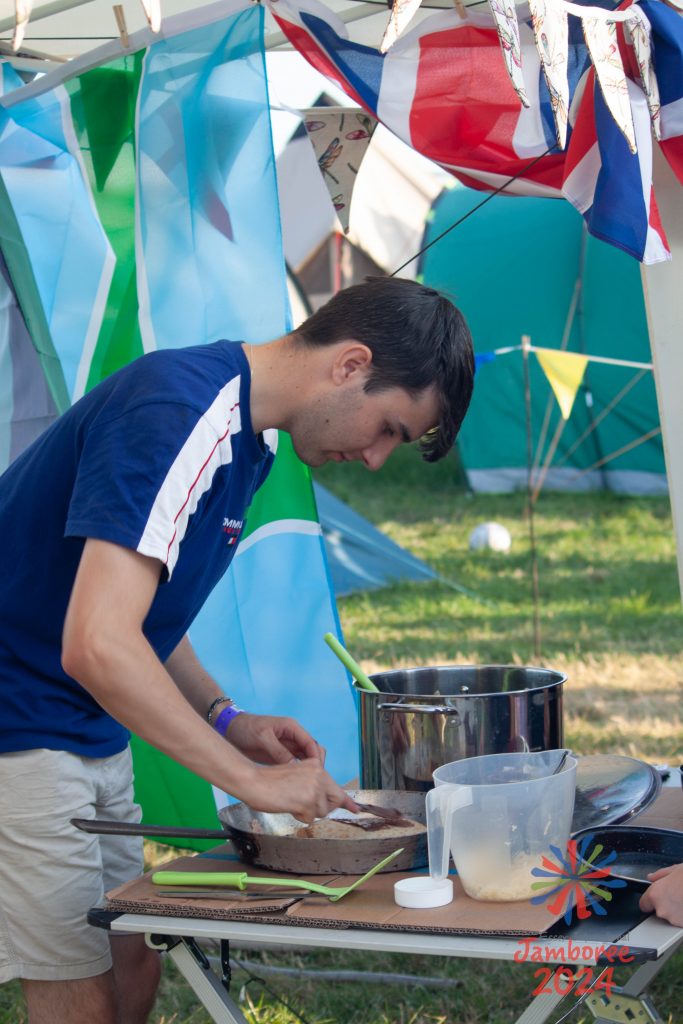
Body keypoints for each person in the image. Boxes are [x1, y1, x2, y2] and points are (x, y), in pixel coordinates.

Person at [0, 275, 474, 1023]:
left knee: (131, 958)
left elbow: (138, 608)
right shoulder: (177, 409)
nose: (377, 457)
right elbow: (96, 643)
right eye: (387, 427)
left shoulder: (247, 440)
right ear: (350, 365)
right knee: (75, 983)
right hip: (16, 716)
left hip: (79, 719)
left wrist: (228, 719)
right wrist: (247, 783)